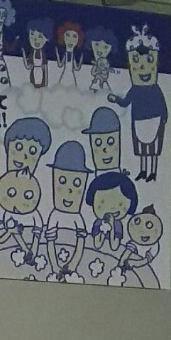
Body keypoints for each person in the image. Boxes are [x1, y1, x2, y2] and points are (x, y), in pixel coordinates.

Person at [111, 23, 168, 181]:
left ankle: (153, 171)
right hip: (139, 121)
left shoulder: (155, 88)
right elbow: (125, 102)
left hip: (155, 120)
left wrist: (164, 116)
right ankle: (143, 170)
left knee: (154, 150)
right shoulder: (135, 89)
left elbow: (162, 103)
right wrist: (116, 99)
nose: (143, 69)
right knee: (143, 148)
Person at [46, 140, 89, 278]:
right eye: (62, 181)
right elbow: (50, 243)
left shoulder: (78, 218)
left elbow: (81, 244)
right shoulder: (54, 216)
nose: (69, 190)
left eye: (76, 184)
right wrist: (54, 266)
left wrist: (72, 266)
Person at [87, 106, 121, 174]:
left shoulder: (123, 179)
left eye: (111, 142)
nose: (105, 149)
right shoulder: (95, 181)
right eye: (98, 143)